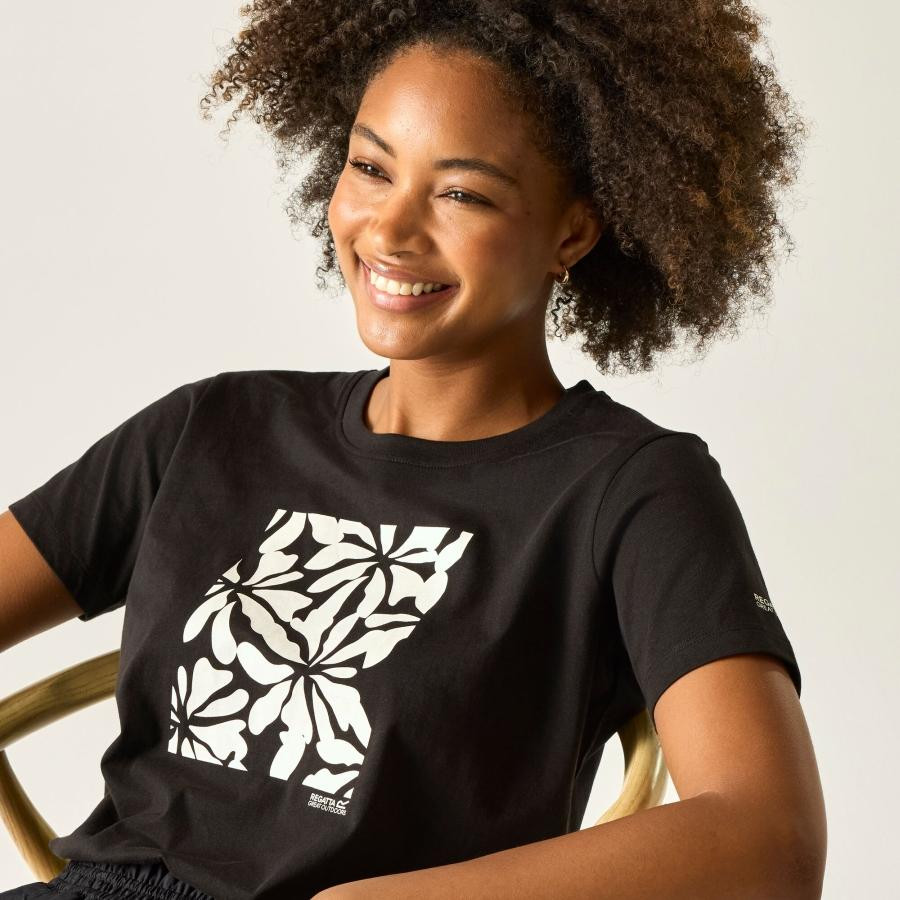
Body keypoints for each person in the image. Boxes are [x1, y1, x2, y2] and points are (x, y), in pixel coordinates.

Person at [0, 2, 826, 898]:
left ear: (572, 232)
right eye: (370, 167)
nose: (390, 232)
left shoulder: (629, 491)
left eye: (461, 193)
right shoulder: (217, 425)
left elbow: (766, 837)